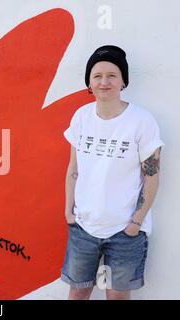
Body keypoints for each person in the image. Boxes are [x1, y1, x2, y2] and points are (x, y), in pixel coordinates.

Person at [61, 45, 164, 300]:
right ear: (89, 82)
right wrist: (68, 210)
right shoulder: (81, 117)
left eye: (112, 75)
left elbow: (151, 175)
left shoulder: (141, 121)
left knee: (116, 296)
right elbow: (74, 169)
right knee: (78, 293)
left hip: (124, 232)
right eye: (97, 76)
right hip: (83, 227)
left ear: (122, 81)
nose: (104, 82)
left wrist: (136, 223)